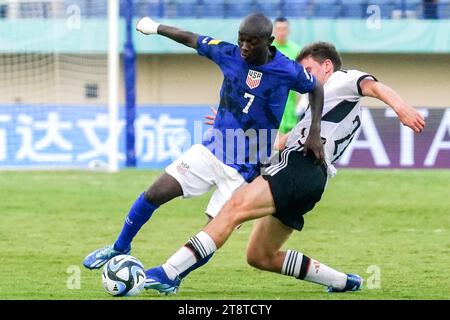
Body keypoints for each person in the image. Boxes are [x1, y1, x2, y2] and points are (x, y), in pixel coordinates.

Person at [144, 42, 426, 294]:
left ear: (327, 66)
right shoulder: (319, 109)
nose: (303, 75)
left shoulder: (340, 80)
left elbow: (372, 86)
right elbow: (280, 141)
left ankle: (168, 273)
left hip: (299, 167)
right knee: (260, 255)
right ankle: (342, 281)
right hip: (313, 180)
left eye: (308, 68)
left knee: (232, 208)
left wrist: (401, 108)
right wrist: (235, 120)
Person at [82, 13, 324, 288]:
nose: (244, 47)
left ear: (268, 42)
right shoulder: (228, 53)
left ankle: (172, 278)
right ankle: (119, 246)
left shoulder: (287, 70)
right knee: (155, 193)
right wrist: (155, 28)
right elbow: (190, 37)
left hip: (245, 169)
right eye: (241, 40)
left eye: (251, 42)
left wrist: (314, 130)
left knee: (214, 231)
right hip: (212, 149)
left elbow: (316, 87)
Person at [272, 17, 302, 134]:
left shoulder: (297, 50)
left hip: (290, 107)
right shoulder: (266, 50)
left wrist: (300, 104)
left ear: (288, 31)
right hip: (270, 105)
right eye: (278, 29)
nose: (281, 32)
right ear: (274, 31)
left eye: (284, 29)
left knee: (286, 148)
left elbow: (301, 79)